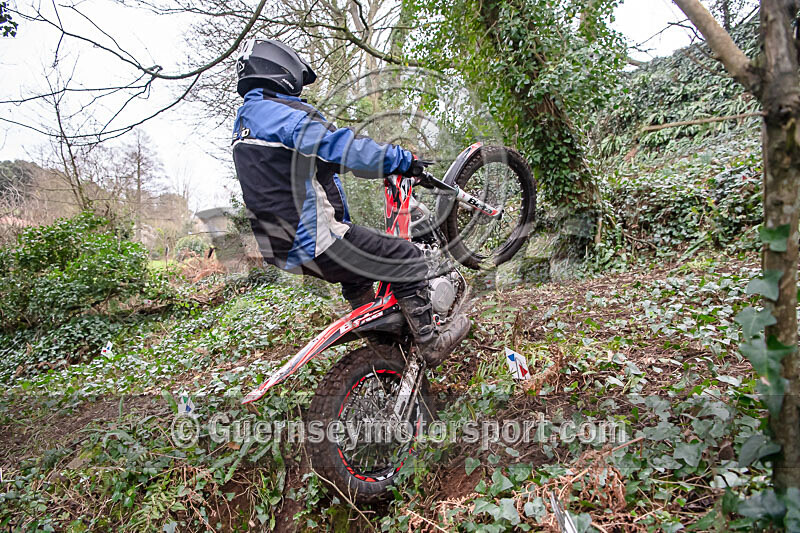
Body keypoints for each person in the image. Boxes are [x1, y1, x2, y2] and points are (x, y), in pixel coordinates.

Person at [231, 39, 470, 366]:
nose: (300, 93)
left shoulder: (248, 122)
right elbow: (340, 146)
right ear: (281, 71)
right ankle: (431, 343)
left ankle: (383, 348)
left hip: (280, 248)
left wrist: (365, 166)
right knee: (406, 256)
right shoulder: (284, 115)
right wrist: (397, 158)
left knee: (356, 274)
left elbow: (305, 165)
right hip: (315, 240)